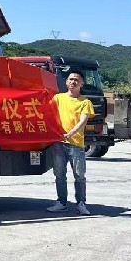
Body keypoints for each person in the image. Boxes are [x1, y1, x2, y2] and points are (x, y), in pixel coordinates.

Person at [47, 70, 94, 216]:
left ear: (82, 84)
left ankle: (81, 203)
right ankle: (61, 203)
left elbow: (83, 121)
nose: (73, 82)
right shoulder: (58, 98)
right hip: (58, 143)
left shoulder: (85, 102)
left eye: (76, 80)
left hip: (76, 144)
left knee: (79, 175)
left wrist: (70, 134)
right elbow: (45, 111)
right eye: (71, 79)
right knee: (59, 174)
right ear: (66, 81)